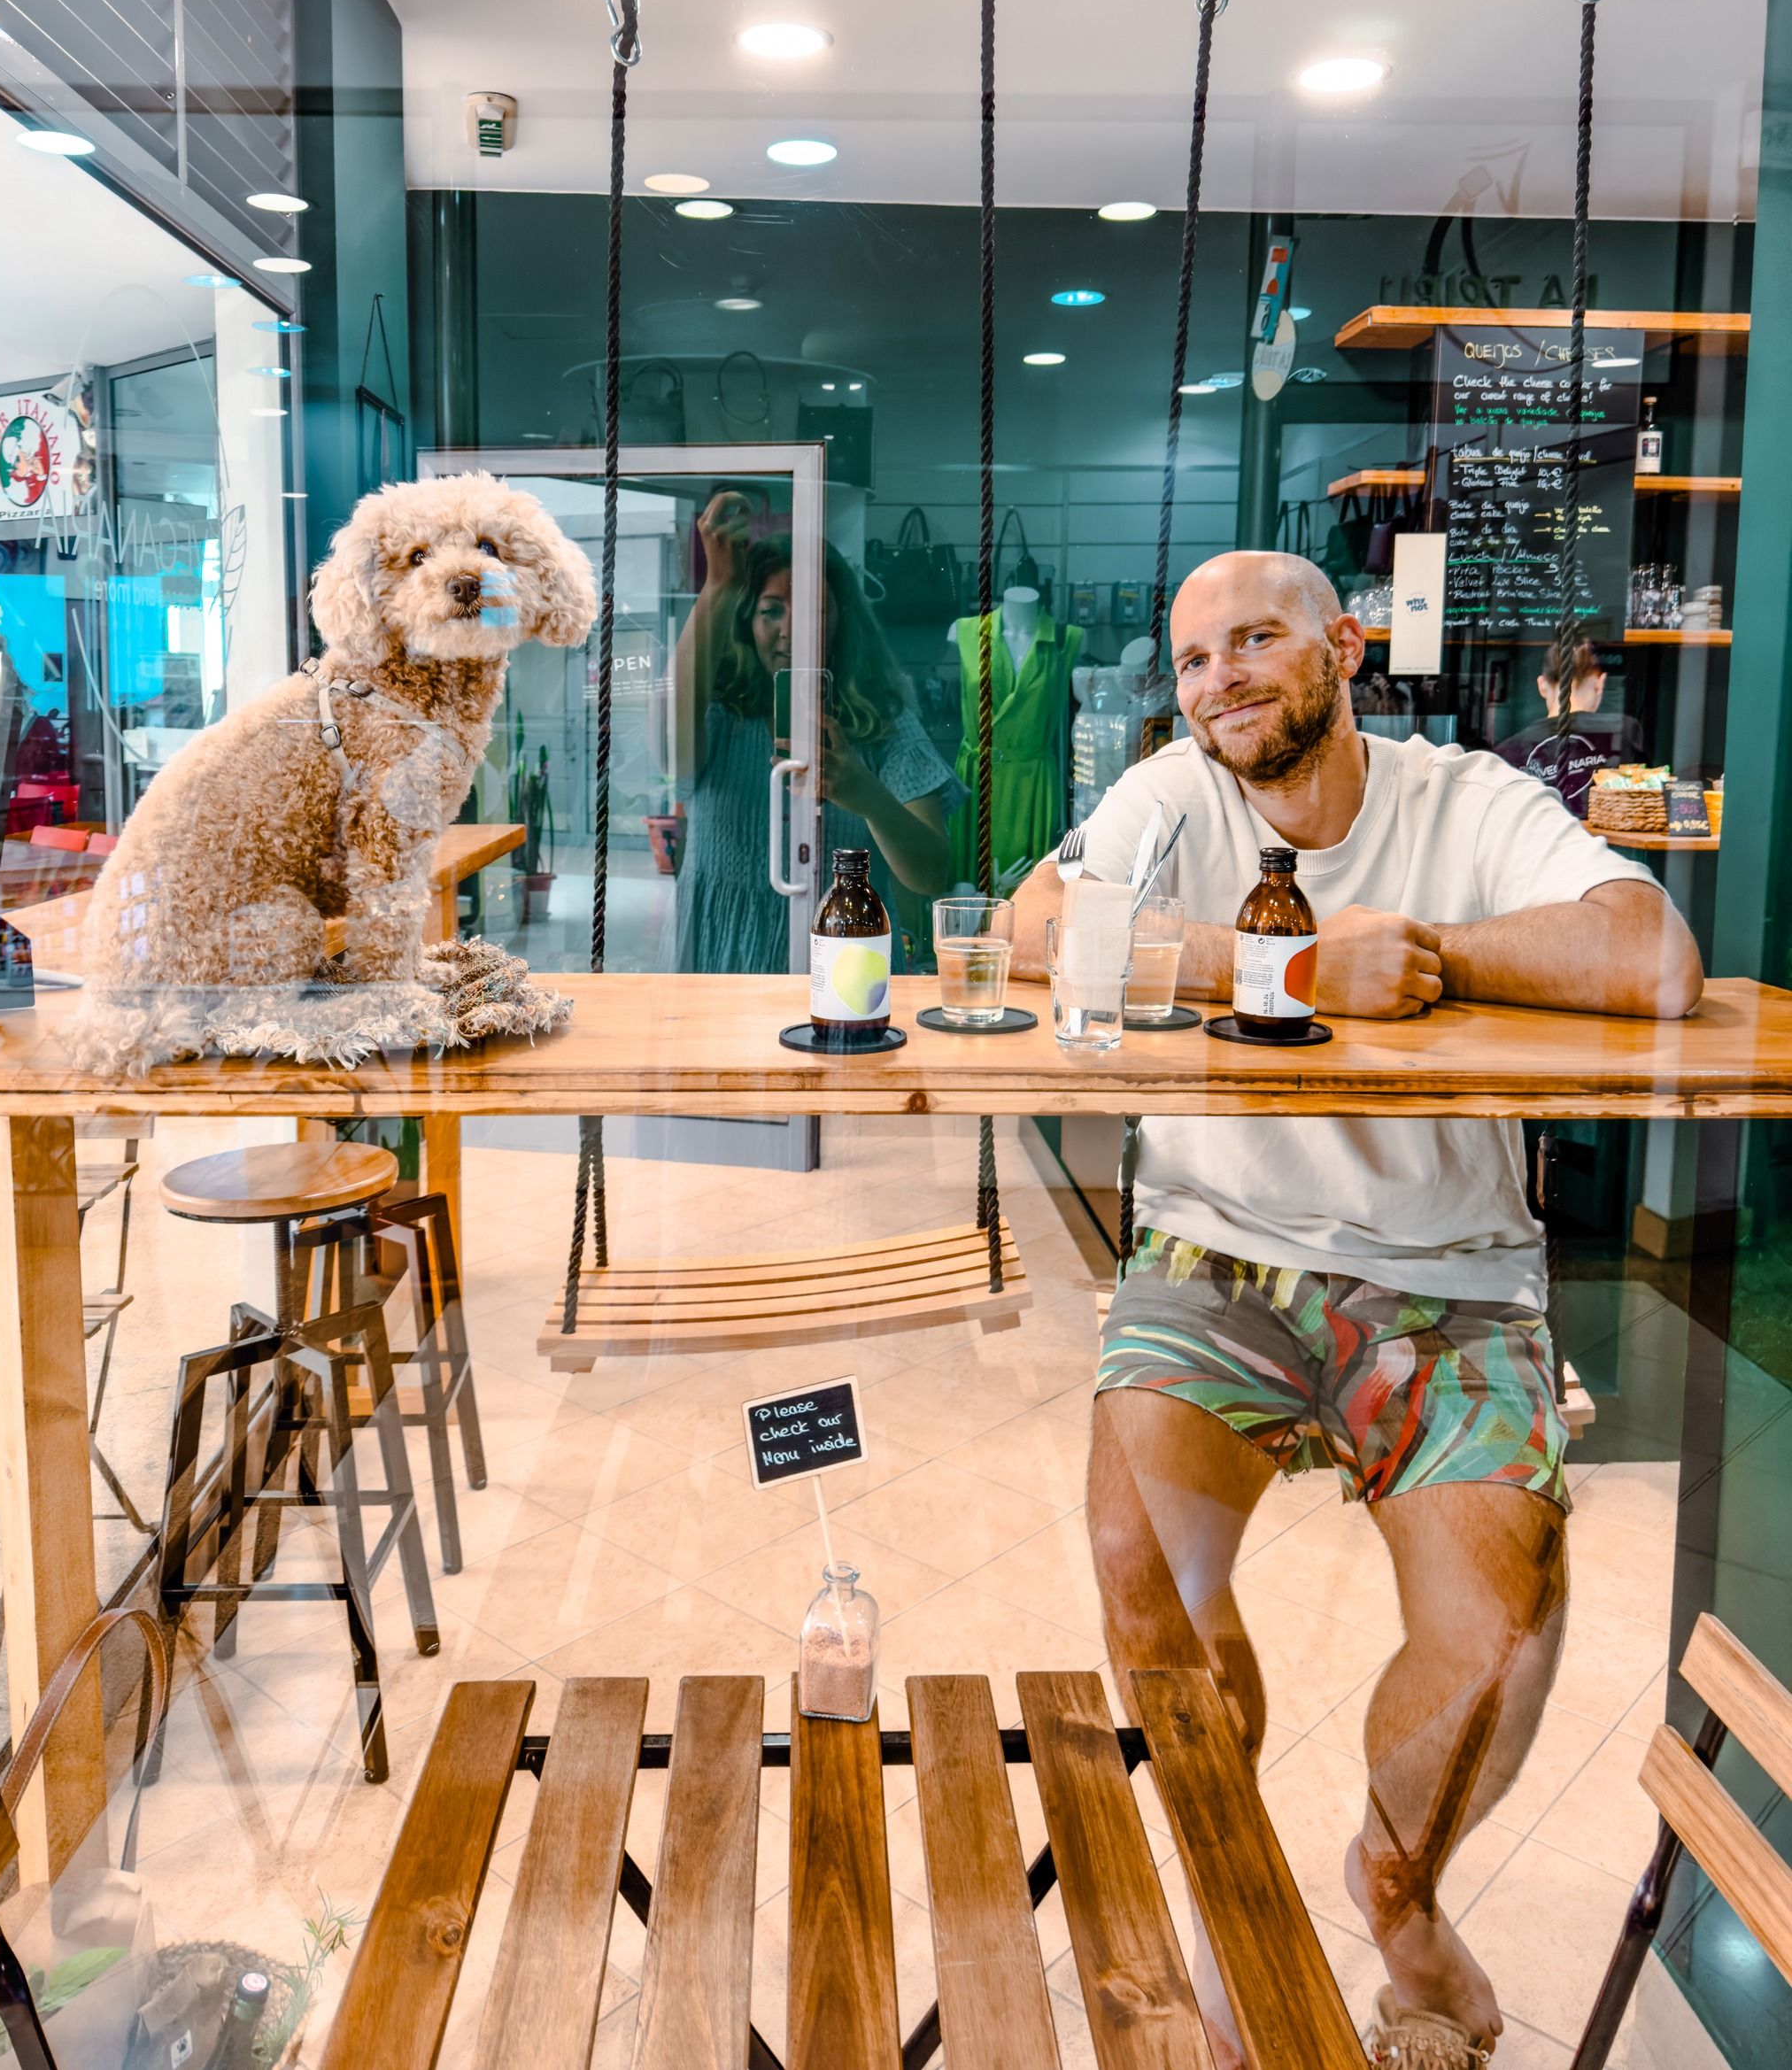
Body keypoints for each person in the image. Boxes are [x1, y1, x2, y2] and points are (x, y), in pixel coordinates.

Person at [1010, 551, 1702, 2070]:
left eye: (1254, 640)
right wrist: (1297, 964)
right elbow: (1028, 926)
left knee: (1498, 1629)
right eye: (1193, 659)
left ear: (1342, 645)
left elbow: (1652, 956)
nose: (1219, 681)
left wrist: (1437, 956)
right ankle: (1229, 1886)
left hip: (1447, 1269)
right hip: (1212, 1252)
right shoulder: (1172, 796)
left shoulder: (1464, 799)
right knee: (1140, 1565)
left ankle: (1394, 1883)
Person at [671, 490, 959, 972]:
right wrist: (718, 585)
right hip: (722, 957)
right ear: (746, 620)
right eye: (771, 610)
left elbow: (932, 873)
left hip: (844, 961)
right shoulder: (719, 710)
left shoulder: (879, 719)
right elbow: (667, 751)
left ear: (842, 619)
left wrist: (867, 796)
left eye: (813, 609)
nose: (790, 629)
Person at [1494, 638, 1645, 815]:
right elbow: (1644, 801)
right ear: (1599, 684)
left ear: (1542, 685)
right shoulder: (1625, 732)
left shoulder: (1507, 752)